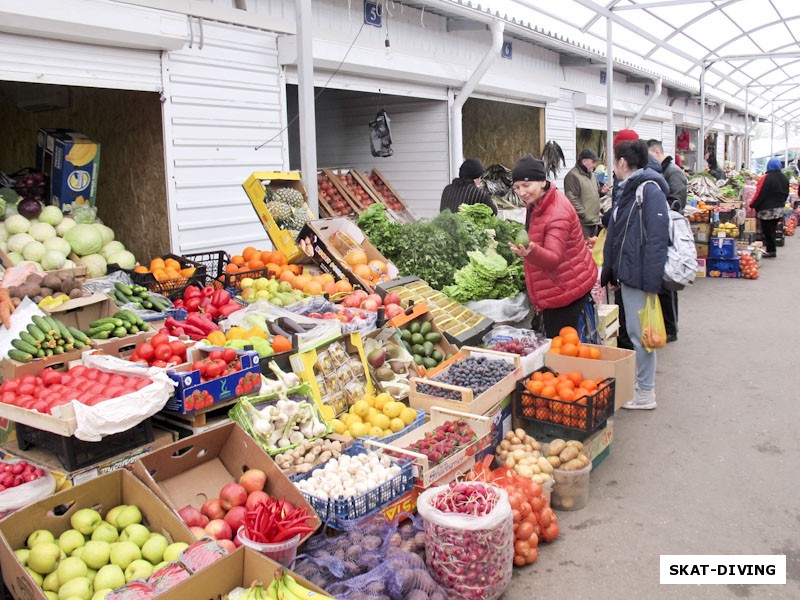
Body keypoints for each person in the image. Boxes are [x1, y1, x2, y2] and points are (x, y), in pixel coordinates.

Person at [601, 139, 670, 410]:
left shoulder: (648, 190)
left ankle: (646, 393)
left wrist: (652, 283)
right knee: (634, 330)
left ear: (622, 162)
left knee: (642, 334)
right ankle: (641, 387)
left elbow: (656, 239)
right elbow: (621, 233)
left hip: (641, 275)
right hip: (630, 273)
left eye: (614, 161)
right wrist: (613, 272)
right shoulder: (629, 189)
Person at [509, 155, 597, 338]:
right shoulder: (539, 202)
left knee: (563, 353)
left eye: (526, 185)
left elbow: (553, 258)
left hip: (564, 292)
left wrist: (530, 252)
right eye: (517, 187)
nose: (521, 192)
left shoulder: (557, 212)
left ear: (542, 182)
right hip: (560, 286)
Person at [647, 139, 688, 343]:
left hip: (668, 235)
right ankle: (667, 325)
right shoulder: (665, 171)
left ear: (656, 152)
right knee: (662, 284)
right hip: (662, 232)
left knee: (668, 284)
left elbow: (677, 202)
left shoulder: (673, 172)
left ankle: (671, 328)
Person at [750, 157, 789, 258]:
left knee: (767, 230)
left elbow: (759, 193)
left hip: (766, 210)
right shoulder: (784, 178)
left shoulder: (765, 178)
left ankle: (771, 251)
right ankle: (771, 249)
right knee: (772, 229)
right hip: (779, 209)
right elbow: (786, 194)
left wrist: (752, 205)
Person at [563, 149, 607, 239]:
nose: (595, 165)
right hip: (582, 224)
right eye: (593, 162)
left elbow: (594, 192)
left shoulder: (593, 175)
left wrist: (601, 191)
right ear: (584, 161)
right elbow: (571, 198)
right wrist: (583, 214)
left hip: (594, 222)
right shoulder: (572, 176)